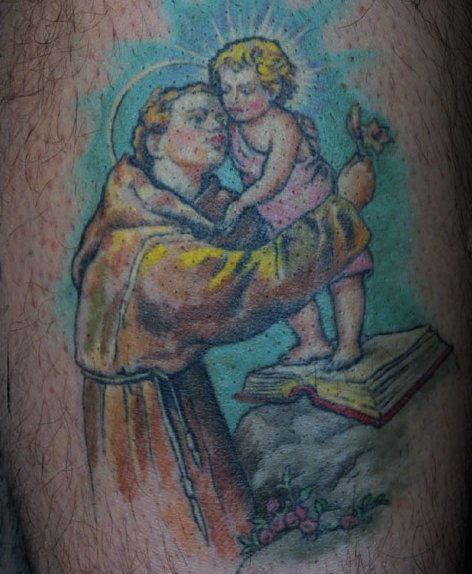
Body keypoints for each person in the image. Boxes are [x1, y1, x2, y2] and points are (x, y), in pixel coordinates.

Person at [71, 81, 370, 568]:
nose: (216, 127)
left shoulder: (180, 205)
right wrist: (342, 212)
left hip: (178, 393)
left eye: (219, 117)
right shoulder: (144, 250)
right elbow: (250, 286)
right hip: (151, 424)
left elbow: (247, 233)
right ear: (156, 141)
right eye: (197, 118)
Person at [210, 37, 373, 369]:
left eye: (246, 90)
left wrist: (242, 203)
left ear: (272, 89)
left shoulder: (283, 126)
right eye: (226, 90)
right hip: (281, 226)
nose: (234, 99)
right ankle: (313, 341)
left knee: (344, 278)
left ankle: (349, 344)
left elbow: (274, 179)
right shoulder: (235, 128)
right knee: (290, 288)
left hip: (322, 216)